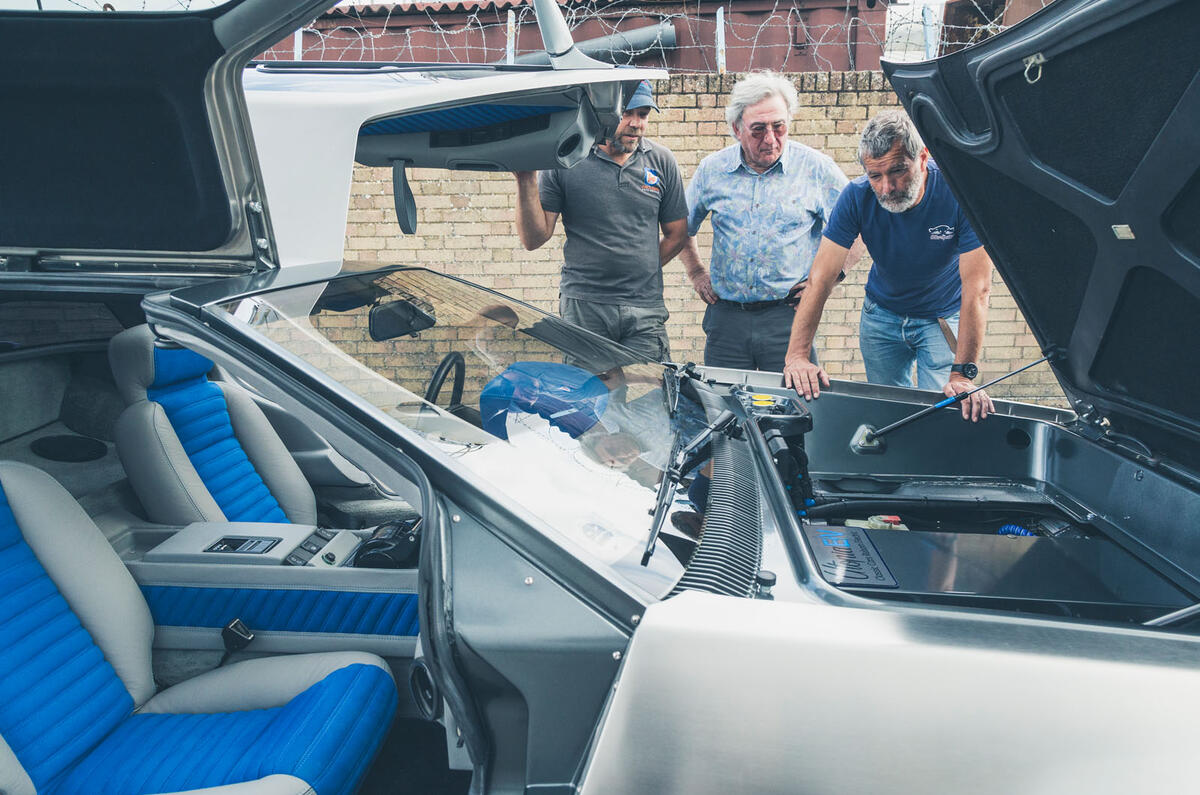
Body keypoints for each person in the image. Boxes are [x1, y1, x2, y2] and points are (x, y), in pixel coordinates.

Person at [782, 110, 995, 422]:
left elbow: (977, 290)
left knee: (940, 413)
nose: (886, 188)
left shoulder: (959, 194)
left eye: (897, 171)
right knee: (889, 415)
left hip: (941, 320)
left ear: (922, 158)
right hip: (881, 317)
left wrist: (963, 374)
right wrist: (797, 356)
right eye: (875, 176)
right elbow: (820, 279)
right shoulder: (856, 197)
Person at [678, 71, 860, 372]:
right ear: (737, 129)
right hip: (727, 322)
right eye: (758, 130)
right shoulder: (712, 170)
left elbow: (861, 226)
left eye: (779, 127)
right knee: (724, 408)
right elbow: (681, 227)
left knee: (792, 411)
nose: (771, 139)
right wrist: (696, 271)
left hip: (788, 319)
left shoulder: (816, 169)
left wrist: (832, 277)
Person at [513, 80, 688, 362]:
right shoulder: (567, 159)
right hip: (585, 308)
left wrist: (640, 270)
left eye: (643, 114)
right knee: (587, 398)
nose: (636, 124)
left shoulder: (662, 161)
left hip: (644, 310)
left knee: (647, 399)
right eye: (627, 113)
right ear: (604, 114)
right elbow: (534, 239)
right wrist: (526, 180)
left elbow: (677, 234)